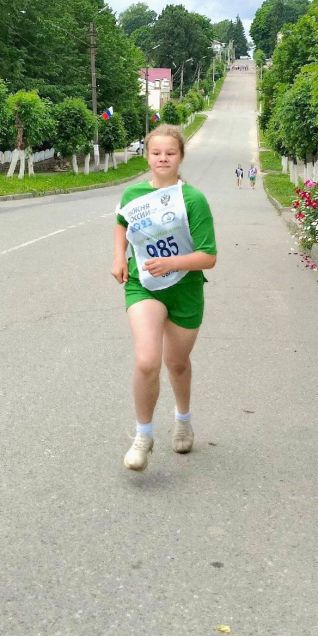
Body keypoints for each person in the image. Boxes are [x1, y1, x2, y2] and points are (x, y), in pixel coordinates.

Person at [112, 125, 217, 472]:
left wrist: (172, 262)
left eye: (170, 153)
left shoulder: (193, 200)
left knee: (177, 363)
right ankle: (143, 436)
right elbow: (120, 221)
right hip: (143, 284)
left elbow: (208, 257)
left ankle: (183, 419)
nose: (162, 158)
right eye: (156, 152)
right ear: (147, 155)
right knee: (147, 360)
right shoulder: (133, 195)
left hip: (185, 288)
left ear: (180, 157)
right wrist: (118, 256)